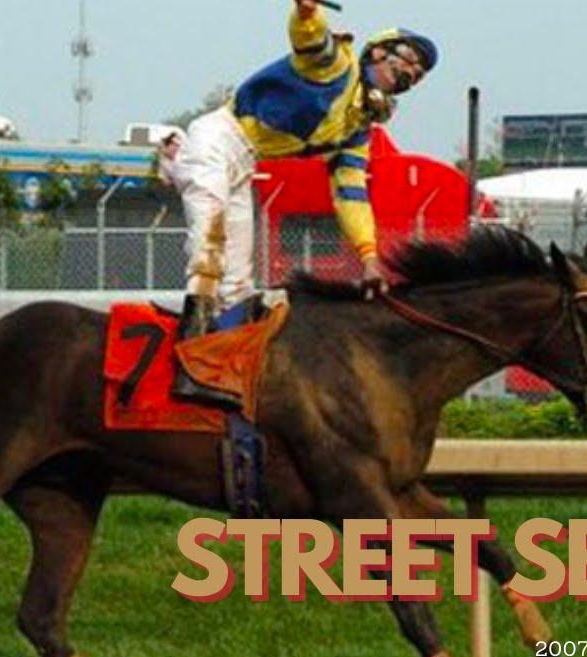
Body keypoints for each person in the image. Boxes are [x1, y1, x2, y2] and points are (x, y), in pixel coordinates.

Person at [168, 0, 438, 404]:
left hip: (244, 164)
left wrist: (368, 256)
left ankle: (223, 369)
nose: (408, 75)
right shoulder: (338, 67)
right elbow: (312, 41)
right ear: (377, 51)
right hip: (217, 140)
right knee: (212, 243)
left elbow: (350, 192)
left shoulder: (357, 128)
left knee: (239, 282)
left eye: (416, 76)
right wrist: (308, 12)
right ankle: (189, 366)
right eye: (407, 62)